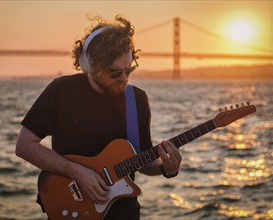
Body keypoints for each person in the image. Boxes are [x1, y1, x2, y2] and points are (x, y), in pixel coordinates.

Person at [16, 15, 182, 220]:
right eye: (115, 73)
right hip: (72, 208)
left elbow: (141, 160)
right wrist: (77, 172)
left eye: (128, 69)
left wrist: (166, 169)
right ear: (91, 67)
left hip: (124, 213)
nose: (124, 78)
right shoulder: (61, 91)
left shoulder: (137, 99)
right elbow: (24, 145)